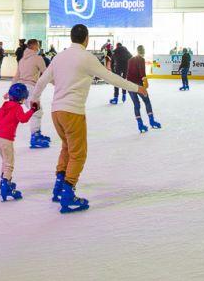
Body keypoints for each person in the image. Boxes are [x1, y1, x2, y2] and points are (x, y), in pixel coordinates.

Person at [29, 24, 147, 214]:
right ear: (87, 38)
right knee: (78, 154)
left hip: (56, 112)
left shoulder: (59, 56)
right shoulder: (86, 58)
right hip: (73, 112)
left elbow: (42, 80)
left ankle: (59, 188)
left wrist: (34, 100)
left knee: (67, 148)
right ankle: (68, 194)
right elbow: (111, 77)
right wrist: (136, 87)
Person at [0, 83, 38, 201]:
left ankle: (4, 181)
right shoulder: (17, 108)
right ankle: (6, 186)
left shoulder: (4, 106)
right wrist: (32, 110)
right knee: (9, 163)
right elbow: (23, 119)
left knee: (5, 161)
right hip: (6, 139)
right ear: (22, 97)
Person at [11, 38, 50, 149]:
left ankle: (37, 133)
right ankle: (35, 137)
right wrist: (57, 84)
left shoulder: (22, 60)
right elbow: (46, 74)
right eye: (38, 46)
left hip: (22, 88)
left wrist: (10, 90)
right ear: (34, 46)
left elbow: (16, 76)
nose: (39, 48)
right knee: (36, 111)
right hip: (31, 88)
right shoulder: (38, 58)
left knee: (36, 111)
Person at [127, 45, 161, 133]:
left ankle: (140, 124)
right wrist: (145, 82)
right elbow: (142, 72)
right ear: (143, 51)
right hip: (138, 85)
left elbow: (128, 73)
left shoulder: (130, 60)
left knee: (136, 104)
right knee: (147, 101)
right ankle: (152, 121)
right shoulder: (141, 59)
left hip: (129, 85)